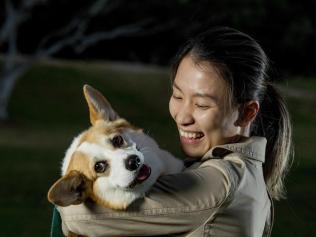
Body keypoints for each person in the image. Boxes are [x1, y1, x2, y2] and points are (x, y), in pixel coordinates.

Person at [51, 26, 293, 237]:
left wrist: (80, 181)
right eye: (177, 95)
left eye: (201, 104)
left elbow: (80, 217)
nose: (182, 116)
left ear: (247, 112)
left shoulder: (220, 182)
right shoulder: (238, 173)